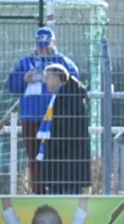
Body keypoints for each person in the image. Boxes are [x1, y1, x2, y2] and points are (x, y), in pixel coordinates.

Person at [6, 27, 79, 194]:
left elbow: (75, 80)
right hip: (31, 117)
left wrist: (56, 79)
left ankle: (57, 192)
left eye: (47, 45)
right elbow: (11, 86)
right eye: (40, 46)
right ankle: (38, 194)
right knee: (34, 158)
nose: (43, 49)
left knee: (57, 156)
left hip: (56, 117)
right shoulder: (25, 62)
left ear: (54, 43)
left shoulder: (62, 62)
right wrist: (24, 79)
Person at [38, 64, 90, 195]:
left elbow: (66, 131)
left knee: (64, 200)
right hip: (67, 164)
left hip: (66, 165)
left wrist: (50, 150)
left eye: (47, 77)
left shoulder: (67, 98)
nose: (45, 82)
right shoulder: (65, 96)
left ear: (57, 78)